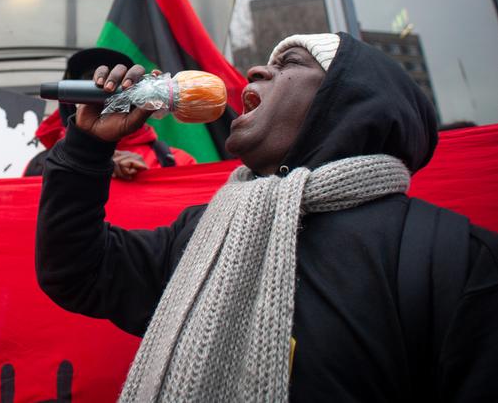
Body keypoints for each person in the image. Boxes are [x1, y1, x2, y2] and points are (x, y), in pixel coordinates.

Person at [36, 33, 498, 402]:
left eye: (291, 63)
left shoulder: (454, 258)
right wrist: (86, 148)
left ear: (349, 101)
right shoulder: (199, 234)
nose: (256, 70)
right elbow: (77, 271)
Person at [25, 48, 195, 179]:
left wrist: (144, 180)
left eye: (118, 83)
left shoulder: (175, 161)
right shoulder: (43, 164)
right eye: (90, 81)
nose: (105, 88)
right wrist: (89, 161)